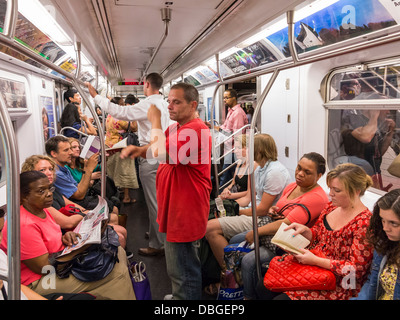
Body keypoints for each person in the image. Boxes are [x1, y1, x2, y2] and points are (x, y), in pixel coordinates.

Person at [121, 82, 212, 300]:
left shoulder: (196, 130)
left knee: (183, 268)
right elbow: (156, 150)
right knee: (176, 265)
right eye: (169, 101)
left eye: (176, 102)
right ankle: (181, 295)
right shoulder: (175, 128)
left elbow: (161, 152)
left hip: (186, 209)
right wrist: (139, 150)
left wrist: (153, 120)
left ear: (193, 105)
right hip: (174, 207)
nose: (169, 106)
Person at [0, 171, 135, 300]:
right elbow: (44, 268)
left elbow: (51, 240)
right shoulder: (23, 224)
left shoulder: (42, 210)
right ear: (23, 196)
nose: (48, 194)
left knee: (117, 253)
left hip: (58, 266)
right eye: (41, 191)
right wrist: (81, 249)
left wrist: (66, 237)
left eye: (50, 189)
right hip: (39, 281)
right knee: (116, 274)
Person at [258, 163, 374, 300]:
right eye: (330, 188)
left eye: (336, 190)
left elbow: (355, 269)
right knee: (263, 285)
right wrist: (307, 231)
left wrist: (316, 261)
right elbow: (318, 234)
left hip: (338, 283)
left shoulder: (364, 223)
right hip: (314, 266)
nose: (330, 194)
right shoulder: (331, 207)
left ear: (356, 191)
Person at [85, 73, 169, 257]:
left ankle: (159, 244)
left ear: (146, 84)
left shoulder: (149, 104)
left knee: (154, 202)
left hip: (151, 155)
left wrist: (95, 96)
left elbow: (121, 112)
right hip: (162, 155)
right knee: (158, 200)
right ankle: (157, 233)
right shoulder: (165, 103)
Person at [231, 152, 329, 300]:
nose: (300, 174)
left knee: (248, 261)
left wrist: (256, 232)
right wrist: (273, 210)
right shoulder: (292, 186)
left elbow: (286, 223)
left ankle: (248, 297)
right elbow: (281, 208)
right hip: (273, 232)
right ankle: (234, 285)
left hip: (287, 243)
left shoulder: (316, 197)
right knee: (235, 240)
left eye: (307, 172)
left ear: (319, 176)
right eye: (299, 168)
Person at [205, 134, 291, 271]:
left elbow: (262, 210)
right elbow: (250, 198)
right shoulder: (260, 169)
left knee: (210, 227)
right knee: (211, 216)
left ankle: (231, 273)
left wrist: (235, 211)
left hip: (262, 218)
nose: (246, 151)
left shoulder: (274, 172)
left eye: (250, 148)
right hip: (252, 210)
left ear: (259, 151)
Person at [21, 154, 127, 248]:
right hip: (66, 236)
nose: (49, 173)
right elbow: (67, 223)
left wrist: (87, 212)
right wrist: (87, 214)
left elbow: (72, 204)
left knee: (121, 230)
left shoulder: (52, 189)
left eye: (50, 169)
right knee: (119, 236)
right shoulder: (39, 199)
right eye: (42, 170)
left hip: (71, 227)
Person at [45, 135, 119, 225]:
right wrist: (88, 170)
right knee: (113, 214)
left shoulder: (64, 168)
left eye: (70, 149)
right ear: (54, 154)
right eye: (66, 150)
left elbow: (77, 186)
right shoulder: (57, 173)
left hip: (79, 200)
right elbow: (79, 195)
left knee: (113, 205)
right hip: (74, 203)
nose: (71, 153)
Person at [353, 189, 400, 300]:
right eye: (383, 220)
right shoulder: (385, 242)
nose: (385, 228)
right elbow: (372, 281)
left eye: (393, 223)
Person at [103, 98, 139, 205]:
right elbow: (134, 128)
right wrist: (133, 116)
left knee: (113, 171)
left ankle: (116, 193)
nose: (123, 106)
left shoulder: (109, 116)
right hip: (120, 146)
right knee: (125, 171)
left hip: (109, 146)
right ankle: (126, 197)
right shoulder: (120, 117)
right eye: (122, 104)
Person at [212, 89, 248, 187]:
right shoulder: (230, 111)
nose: (224, 100)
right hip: (229, 149)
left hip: (234, 150)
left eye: (227, 98)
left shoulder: (238, 113)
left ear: (234, 98)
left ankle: (220, 198)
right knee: (227, 175)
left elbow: (236, 134)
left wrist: (221, 133)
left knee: (226, 176)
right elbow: (225, 128)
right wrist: (214, 127)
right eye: (224, 98)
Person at [219, 134, 250, 200]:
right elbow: (233, 184)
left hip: (245, 200)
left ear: (247, 148)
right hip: (236, 197)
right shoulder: (239, 163)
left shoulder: (252, 166)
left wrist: (231, 196)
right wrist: (226, 189)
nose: (235, 151)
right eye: (235, 148)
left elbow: (251, 192)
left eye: (239, 148)